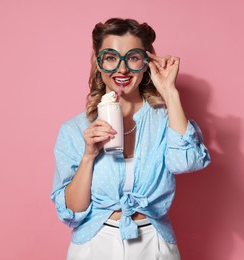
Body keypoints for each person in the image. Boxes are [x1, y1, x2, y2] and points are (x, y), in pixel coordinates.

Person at [51, 18, 211, 260]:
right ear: (99, 63)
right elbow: (72, 211)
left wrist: (169, 92)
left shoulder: (165, 120)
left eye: (133, 57)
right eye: (111, 57)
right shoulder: (75, 130)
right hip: (94, 245)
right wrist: (88, 156)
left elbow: (185, 163)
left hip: (154, 244)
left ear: (146, 62)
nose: (122, 69)